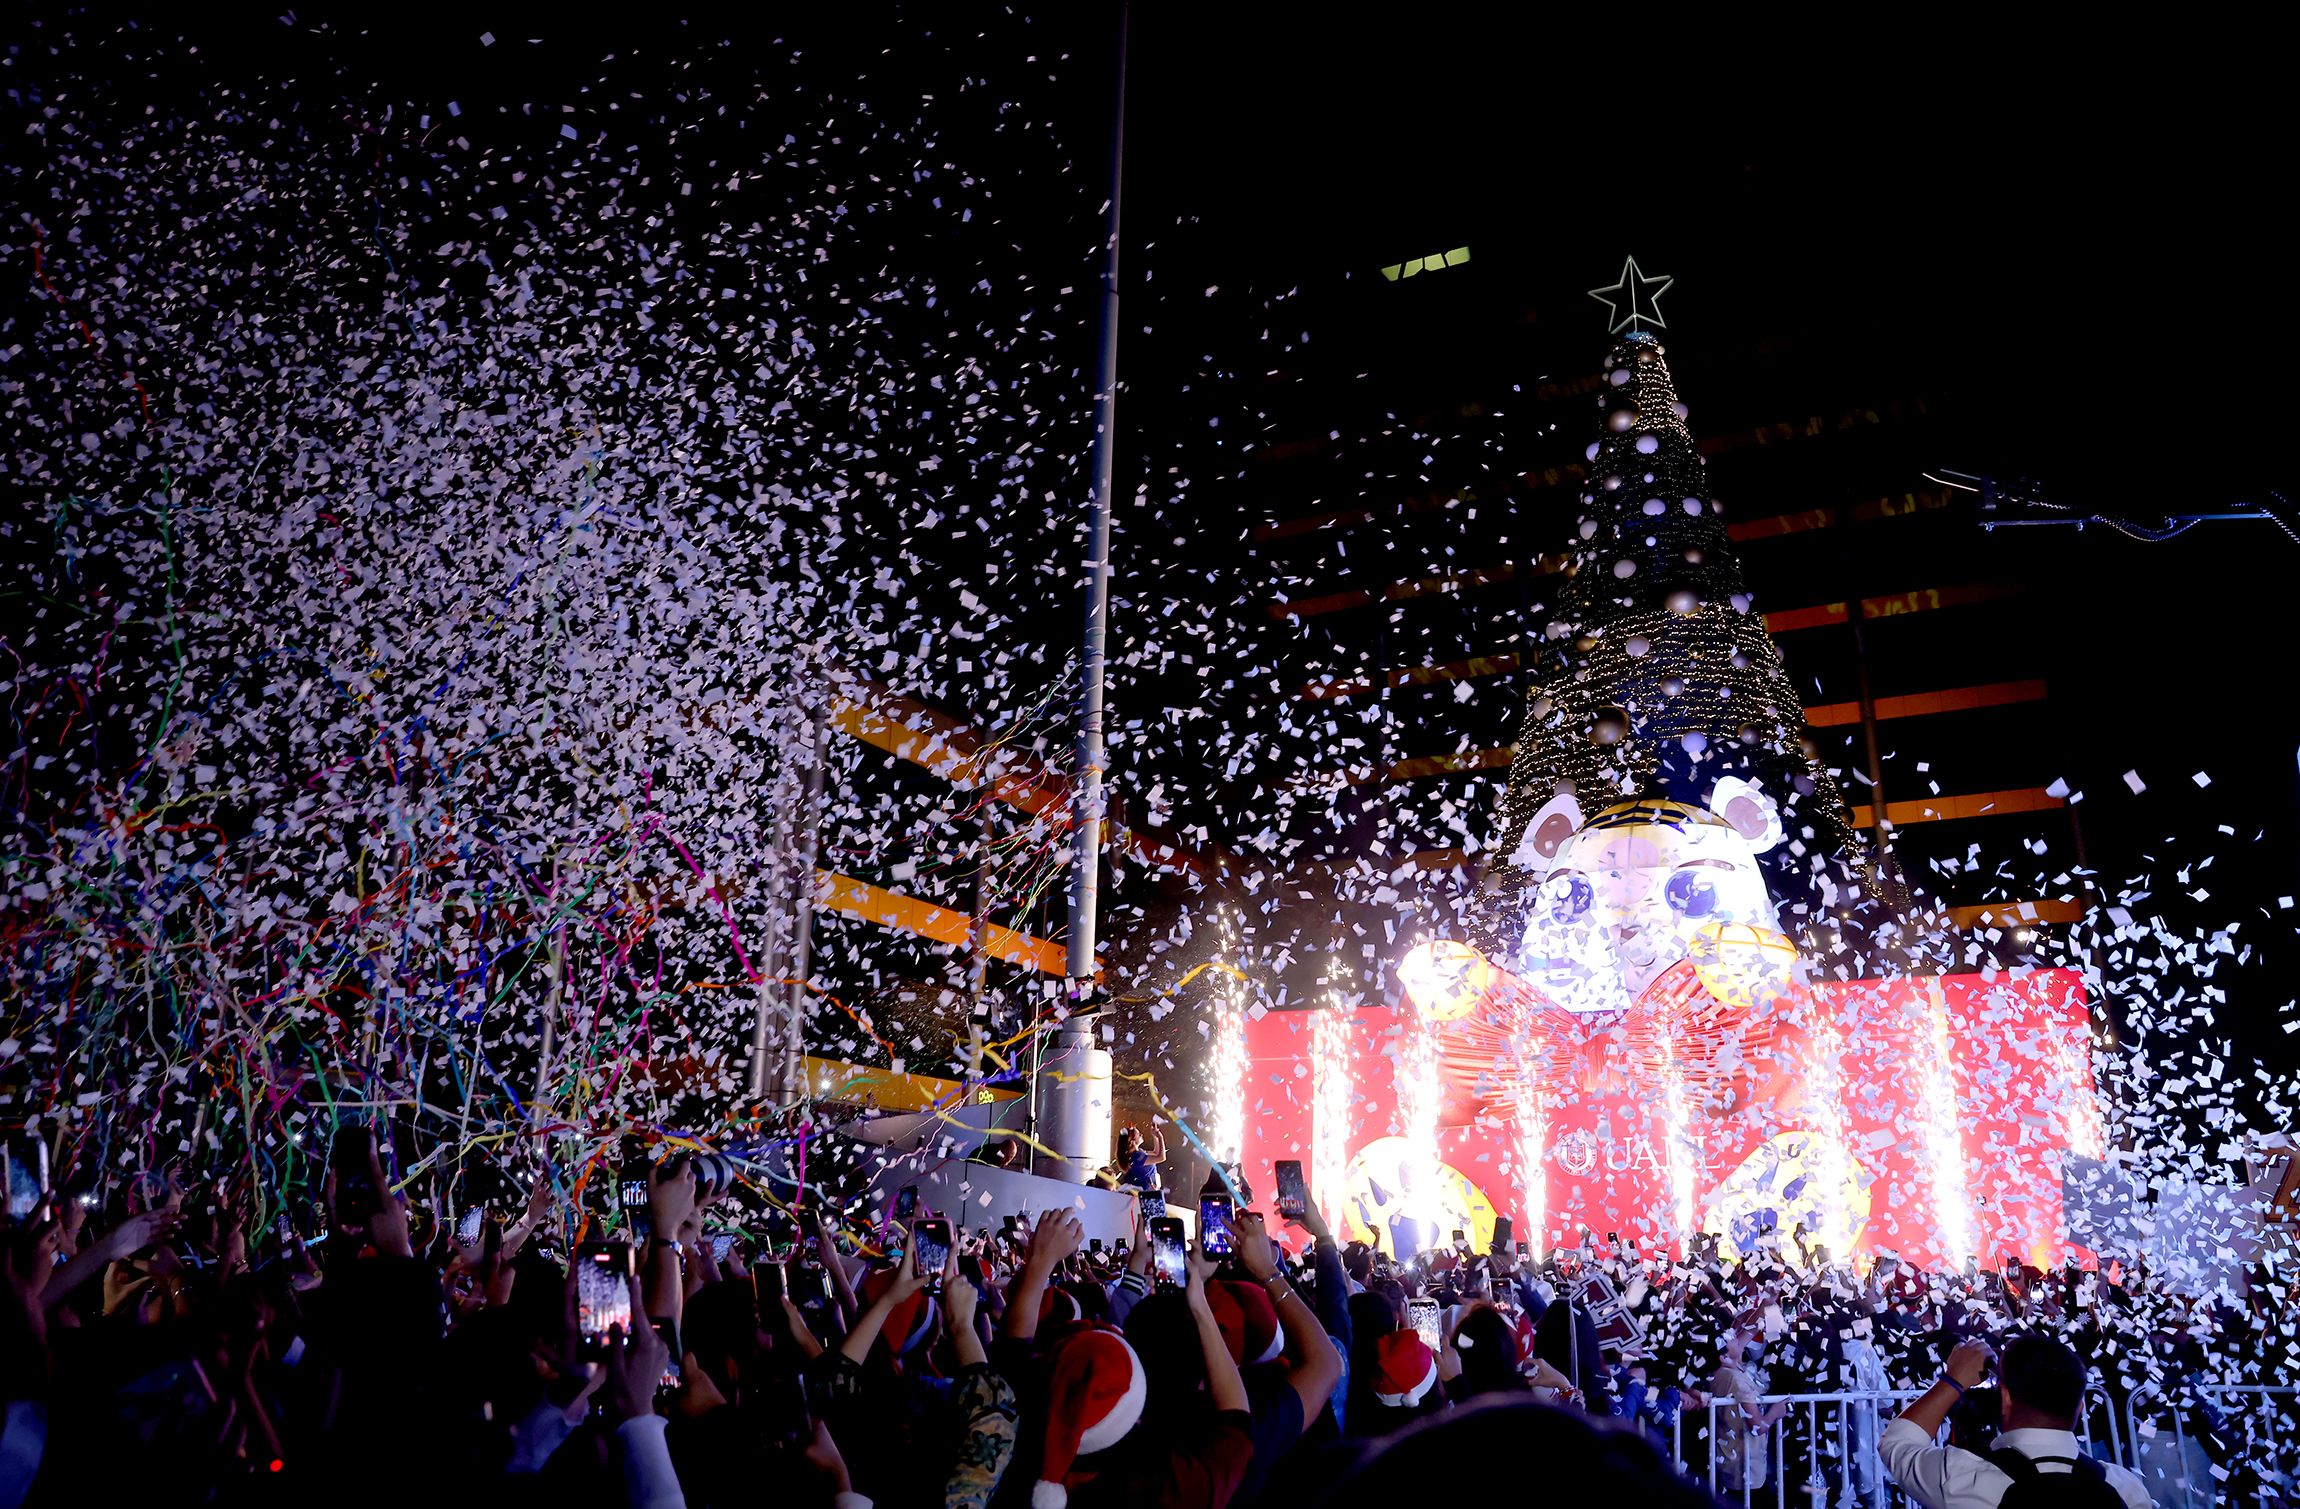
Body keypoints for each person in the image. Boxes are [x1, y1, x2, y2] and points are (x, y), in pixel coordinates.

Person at [1879, 1335, 2147, 1508]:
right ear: (2080, 1407)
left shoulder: (1965, 1480)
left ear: (2005, 1398)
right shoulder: (2125, 1488)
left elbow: (1898, 1443)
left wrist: (1954, 1380)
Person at [1111, 1128, 1164, 1194]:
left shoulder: (1138, 1154)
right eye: (1139, 1135)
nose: (1141, 1135)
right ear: (1132, 1141)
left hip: (1149, 1190)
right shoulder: (1138, 1157)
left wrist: (1155, 1136)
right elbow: (1161, 1157)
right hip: (1147, 1192)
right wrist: (1160, 1137)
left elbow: (1155, 1153)